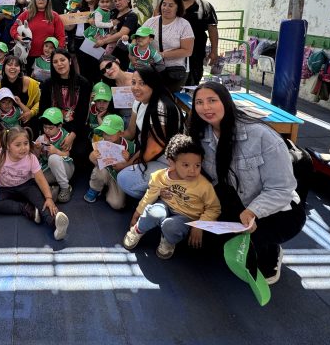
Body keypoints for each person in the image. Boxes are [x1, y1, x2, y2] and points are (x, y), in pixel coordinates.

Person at [189, 82, 306, 284]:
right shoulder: (202, 134)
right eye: (199, 102)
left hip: (278, 210)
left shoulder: (262, 135)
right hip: (236, 203)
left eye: (212, 101)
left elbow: (282, 188)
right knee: (207, 247)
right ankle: (251, 238)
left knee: (252, 254)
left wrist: (253, 212)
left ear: (226, 101)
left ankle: (271, 248)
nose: (205, 108)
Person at [122, 134, 221, 258]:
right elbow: (149, 196)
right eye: (186, 165)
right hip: (166, 205)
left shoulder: (204, 186)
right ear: (171, 162)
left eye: (197, 165)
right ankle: (138, 230)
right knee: (153, 212)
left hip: (186, 216)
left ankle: (168, 240)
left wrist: (199, 226)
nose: (193, 170)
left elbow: (214, 208)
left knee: (171, 227)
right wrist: (137, 214)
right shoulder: (159, 176)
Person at [0, 126, 70, 241]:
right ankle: (27, 209)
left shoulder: (31, 158)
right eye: (18, 145)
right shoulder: (0, 154)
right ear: (7, 146)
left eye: (26, 143)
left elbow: (40, 179)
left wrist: (48, 198)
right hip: (5, 189)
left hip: (26, 185)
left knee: (43, 203)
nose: (23, 148)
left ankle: (56, 224)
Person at [116, 67, 184, 200]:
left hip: (168, 162)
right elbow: (130, 132)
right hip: (151, 155)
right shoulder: (139, 102)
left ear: (153, 84)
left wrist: (126, 164)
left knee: (124, 179)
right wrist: (111, 137)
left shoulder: (160, 107)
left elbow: (153, 150)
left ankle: (165, 197)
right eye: (134, 82)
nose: (136, 87)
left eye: (142, 83)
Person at [39, 49, 93, 169]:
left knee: (80, 152)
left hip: (75, 127)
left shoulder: (83, 83)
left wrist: (71, 136)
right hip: (54, 127)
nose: (59, 64)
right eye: (55, 62)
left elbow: (83, 113)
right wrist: (51, 133)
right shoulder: (48, 84)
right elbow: (43, 109)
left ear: (69, 61)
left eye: (62, 60)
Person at [142, 0, 194, 93]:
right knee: (152, 97)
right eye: (164, 4)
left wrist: (161, 55)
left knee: (169, 100)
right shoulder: (151, 22)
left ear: (178, 7)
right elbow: (138, 38)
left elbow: (187, 51)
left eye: (171, 5)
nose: (166, 8)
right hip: (153, 69)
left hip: (174, 71)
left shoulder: (184, 25)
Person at [10, 0, 65, 74]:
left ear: (48, 0)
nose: (41, 0)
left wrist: (58, 54)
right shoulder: (26, 14)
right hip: (29, 56)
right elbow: (13, 28)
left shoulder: (54, 16)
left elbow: (61, 36)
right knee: (31, 84)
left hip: (48, 57)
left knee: (47, 84)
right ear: (34, 0)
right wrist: (18, 37)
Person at [84, 114, 135, 209]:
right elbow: (94, 160)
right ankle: (95, 188)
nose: (106, 136)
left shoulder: (131, 147)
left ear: (121, 133)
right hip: (105, 171)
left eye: (110, 133)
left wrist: (129, 160)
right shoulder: (101, 143)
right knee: (99, 171)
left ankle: (109, 190)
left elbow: (134, 169)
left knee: (117, 204)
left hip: (119, 178)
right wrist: (92, 156)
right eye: (104, 132)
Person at [178, 0, 220, 85]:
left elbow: (212, 29)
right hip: (173, 52)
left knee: (192, 84)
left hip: (196, 53)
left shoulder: (205, 6)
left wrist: (214, 51)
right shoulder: (172, 5)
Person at [34, 107, 75, 203]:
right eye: (45, 127)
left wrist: (56, 151)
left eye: (50, 128)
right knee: (34, 177)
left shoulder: (66, 136)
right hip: (49, 169)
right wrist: (37, 148)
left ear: (59, 126)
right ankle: (52, 189)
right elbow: (36, 157)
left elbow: (67, 155)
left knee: (53, 158)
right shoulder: (42, 137)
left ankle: (65, 188)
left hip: (66, 168)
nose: (47, 131)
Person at [0, 56, 40, 126]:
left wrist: (31, 113)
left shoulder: (31, 83)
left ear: (20, 69)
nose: (13, 67)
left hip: (29, 121)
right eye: (9, 65)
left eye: (16, 65)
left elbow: (39, 101)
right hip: (7, 123)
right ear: (4, 67)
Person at [98, 55, 135, 123]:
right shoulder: (108, 87)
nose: (107, 71)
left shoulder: (137, 77)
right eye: (103, 71)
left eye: (109, 65)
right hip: (124, 122)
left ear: (117, 61)